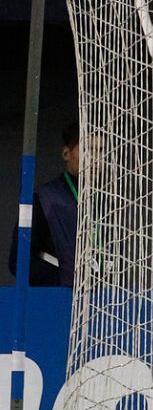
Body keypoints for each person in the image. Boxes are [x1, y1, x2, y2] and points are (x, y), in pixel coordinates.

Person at [9, 123, 81, 287]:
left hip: (103, 301)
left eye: (101, 151)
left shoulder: (109, 201)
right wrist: (63, 281)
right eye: (88, 149)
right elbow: (18, 259)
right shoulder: (44, 198)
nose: (96, 158)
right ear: (66, 153)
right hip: (59, 299)